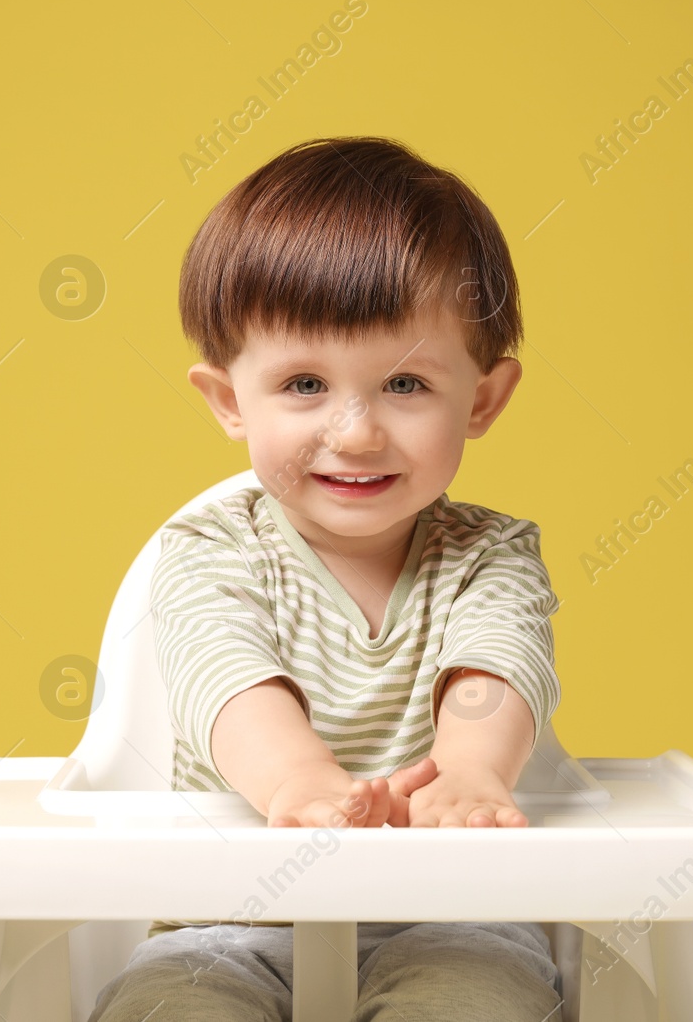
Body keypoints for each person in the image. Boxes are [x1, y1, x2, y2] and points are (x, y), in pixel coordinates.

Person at [89, 134, 564, 1021]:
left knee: (477, 1005)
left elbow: (494, 667)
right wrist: (298, 781)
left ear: (484, 399)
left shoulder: (490, 557)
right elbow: (227, 676)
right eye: (305, 382)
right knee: (172, 1009)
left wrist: (470, 774)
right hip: (231, 918)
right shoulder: (208, 549)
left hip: (449, 915)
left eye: (406, 383)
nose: (354, 433)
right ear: (230, 399)